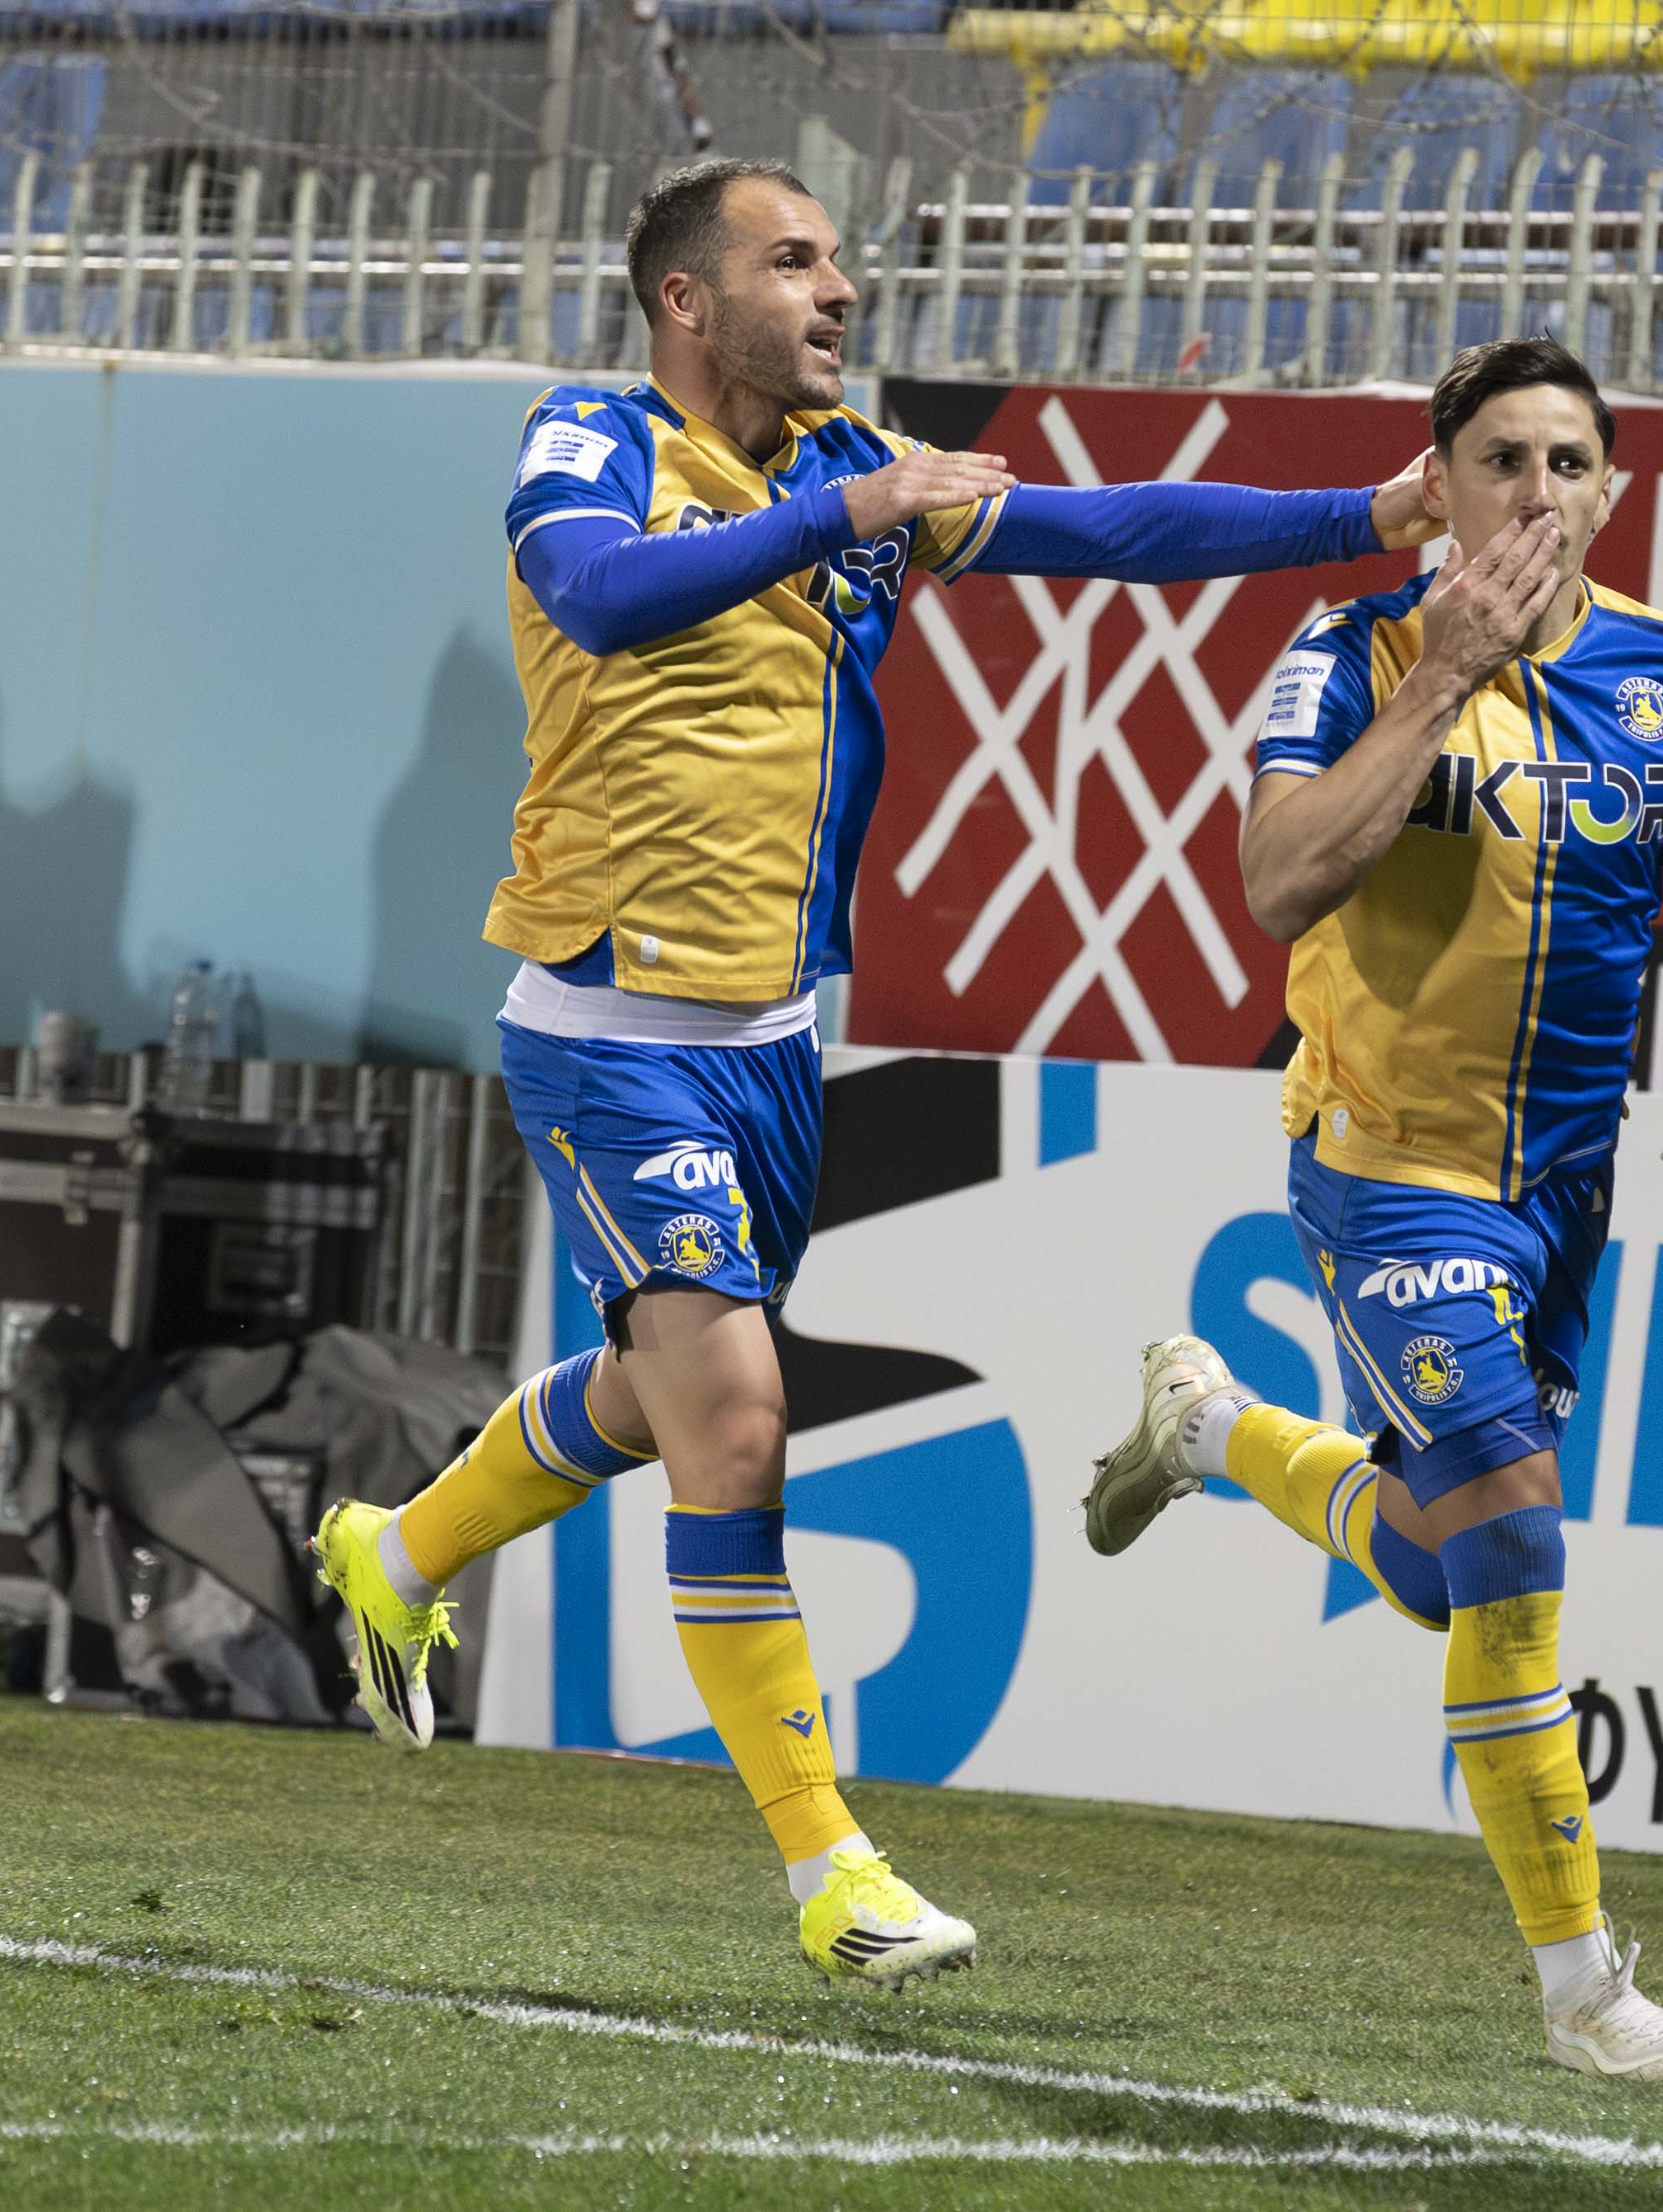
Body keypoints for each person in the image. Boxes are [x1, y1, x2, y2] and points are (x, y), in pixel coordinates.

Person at [309, 155, 1433, 1990]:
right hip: (608, 1036)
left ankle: (398, 1553)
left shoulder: (857, 470)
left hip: (771, 1047)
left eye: (840, 261)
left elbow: (1111, 532)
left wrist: (1363, 515)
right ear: (688, 300)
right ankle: (832, 1870)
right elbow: (596, 597)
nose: (840, 290)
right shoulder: (593, 440)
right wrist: (854, 513)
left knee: (660, 1393)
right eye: (795, 261)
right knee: (739, 1422)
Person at [1084, 337, 1663, 2082]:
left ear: (1612, 493)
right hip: (1388, 1168)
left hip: (1560, 1190)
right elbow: (1276, 883)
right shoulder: (1349, 653)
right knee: (1512, 1540)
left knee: (1437, 1564)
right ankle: (1583, 1991)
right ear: (1439, 482)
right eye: (1501, 460)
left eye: (1569, 462)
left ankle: (1212, 1429)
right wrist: (1442, 677)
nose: (1536, 493)